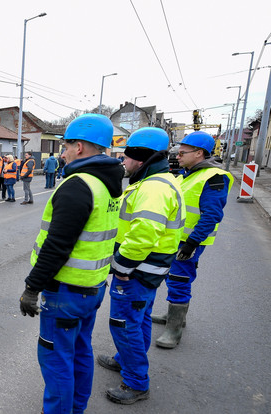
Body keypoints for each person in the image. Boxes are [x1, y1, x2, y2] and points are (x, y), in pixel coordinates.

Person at [19, 113, 124, 414]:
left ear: (79, 147)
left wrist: (31, 288)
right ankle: (76, 409)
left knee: (56, 361)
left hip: (66, 292)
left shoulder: (78, 185)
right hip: (91, 288)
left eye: (65, 146)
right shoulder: (108, 183)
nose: (62, 153)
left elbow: (57, 246)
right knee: (79, 351)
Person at [96, 127, 184, 405]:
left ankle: (136, 383)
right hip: (149, 270)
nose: (123, 161)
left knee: (124, 324)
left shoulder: (154, 188)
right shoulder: (158, 182)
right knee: (139, 319)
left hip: (137, 271)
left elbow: (144, 233)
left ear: (141, 157)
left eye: (127, 156)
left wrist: (121, 267)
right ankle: (126, 361)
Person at [152, 130, 233, 349]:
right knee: (172, 277)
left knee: (179, 280)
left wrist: (192, 243)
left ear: (199, 153)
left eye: (182, 153)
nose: (177, 156)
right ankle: (174, 316)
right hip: (175, 239)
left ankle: (174, 330)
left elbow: (212, 215)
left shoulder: (214, 177)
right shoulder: (188, 173)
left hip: (188, 242)